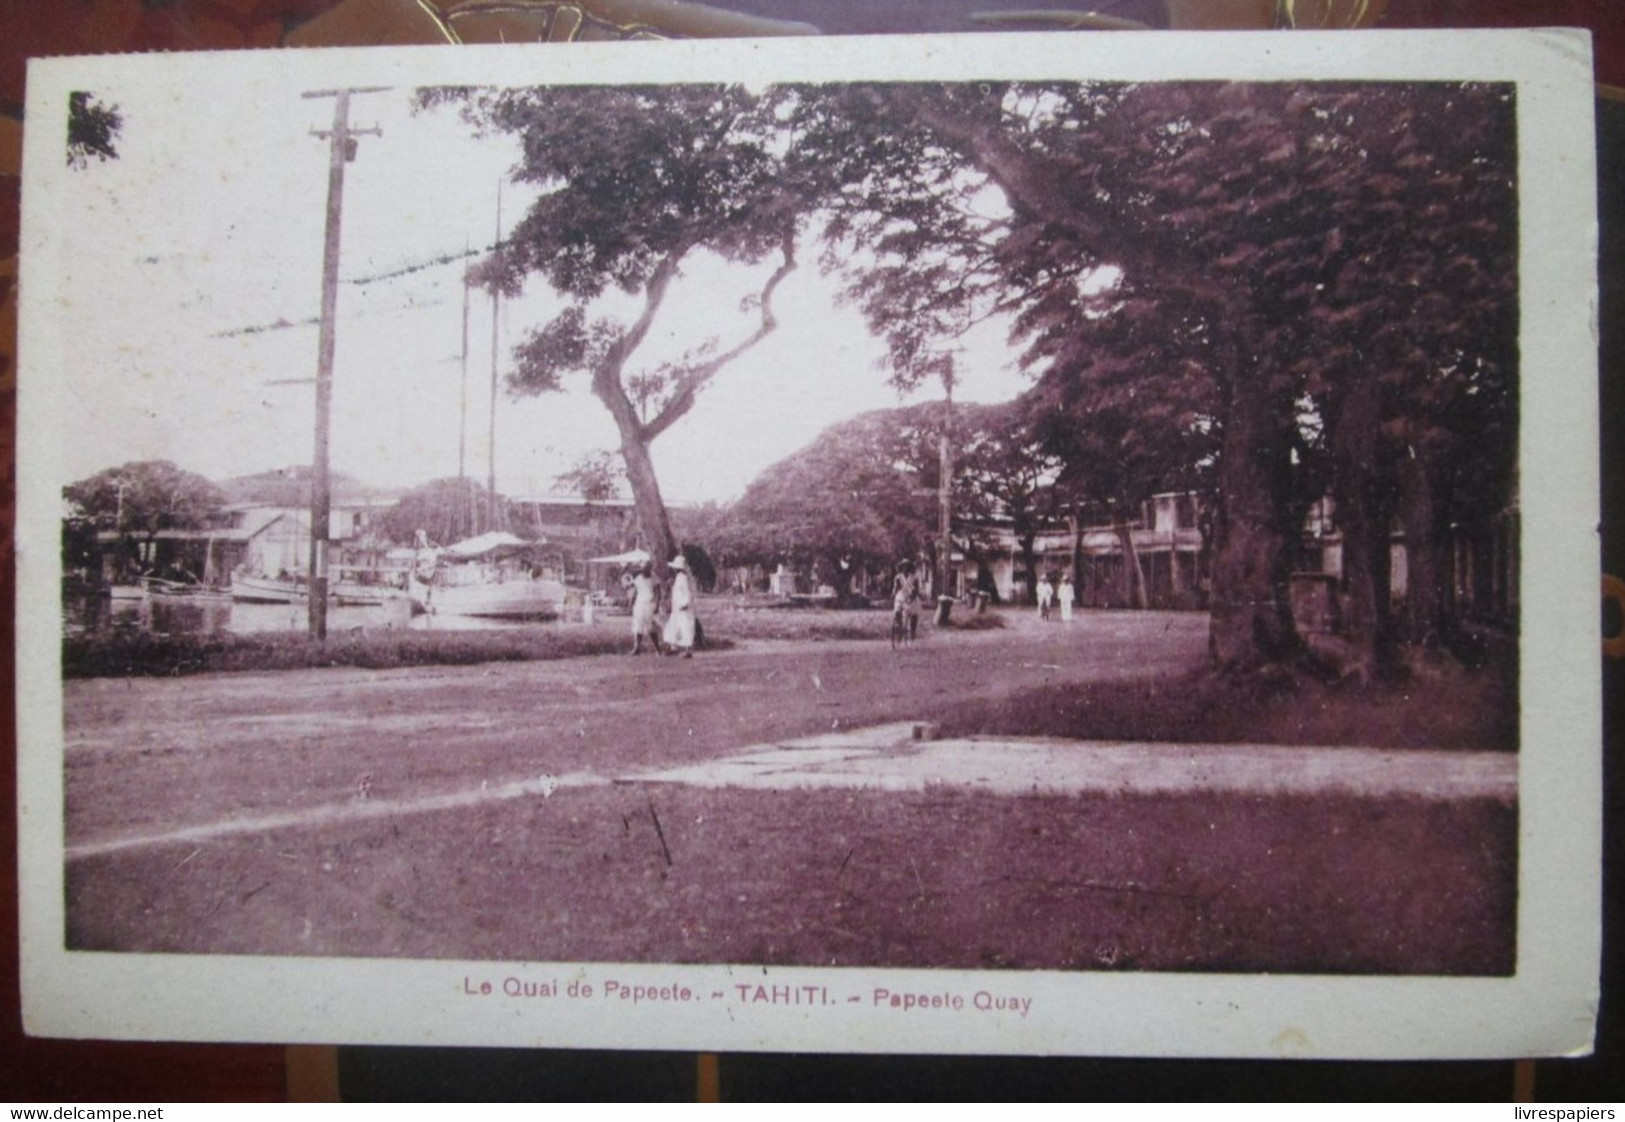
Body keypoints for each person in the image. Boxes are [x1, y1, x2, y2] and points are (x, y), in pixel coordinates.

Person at [663, 554, 698, 657]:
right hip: (677, 608)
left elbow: (687, 592)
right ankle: (673, 647)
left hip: (683, 607)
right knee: (673, 626)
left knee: (685, 627)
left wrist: (686, 603)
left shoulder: (683, 578)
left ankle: (688, 650)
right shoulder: (679, 578)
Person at [627, 561, 661, 655]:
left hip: (650, 604)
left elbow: (658, 593)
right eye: (642, 569)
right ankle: (637, 648)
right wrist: (630, 604)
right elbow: (635, 592)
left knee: (651, 628)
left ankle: (658, 649)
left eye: (646, 569)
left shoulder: (654, 578)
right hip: (639, 604)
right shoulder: (638, 579)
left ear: (649, 569)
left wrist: (657, 605)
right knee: (638, 626)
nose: (644, 571)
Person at [892, 558, 922, 645]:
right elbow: (896, 588)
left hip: (911, 595)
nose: (905, 569)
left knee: (914, 613)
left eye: (907, 567)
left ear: (910, 568)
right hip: (901, 595)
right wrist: (893, 593)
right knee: (897, 610)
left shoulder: (914, 577)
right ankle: (899, 627)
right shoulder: (898, 577)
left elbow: (916, 589)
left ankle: (912, 631)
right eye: (903, 567)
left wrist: (912, 596)